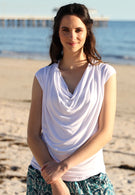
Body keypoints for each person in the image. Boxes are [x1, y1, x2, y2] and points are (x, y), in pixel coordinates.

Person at [26, 3, 116, 195]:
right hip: (45, 176)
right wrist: (55, 179)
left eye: (78, 30)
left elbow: (105, 132)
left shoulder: (104, 74)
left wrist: (63, 167)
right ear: (57, 32)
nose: (72, 36)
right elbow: (33, 135)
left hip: (90, 178)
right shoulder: (43, 76)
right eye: (65, 30)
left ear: (87, 31)